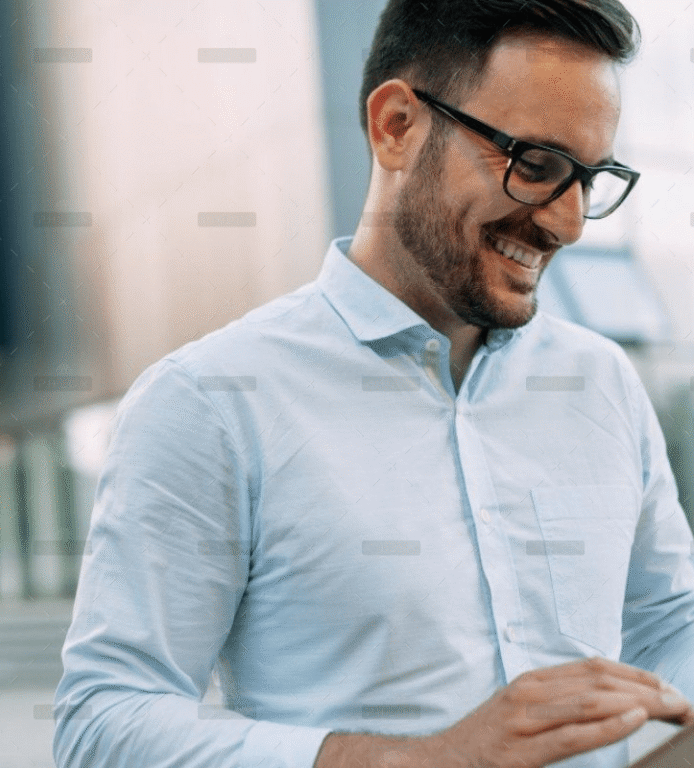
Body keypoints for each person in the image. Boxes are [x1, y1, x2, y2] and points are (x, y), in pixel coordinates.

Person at [53, 1, 694, 767]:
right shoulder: (210, 402)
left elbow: (670, 624)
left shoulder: (602, 384)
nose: (569, 222)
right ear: (396, 126)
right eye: (535, 166)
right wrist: (423, 761)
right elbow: (103, 723)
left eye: (591, 178)